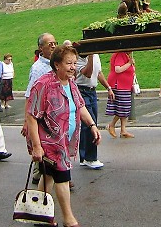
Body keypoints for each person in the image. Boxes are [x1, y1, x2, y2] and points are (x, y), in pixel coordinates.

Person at [26, 44, 101, 227]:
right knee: (62, 177)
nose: (73, 67)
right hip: (50, 143)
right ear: (57, 64)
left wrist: (92, 125)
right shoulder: (44, 84)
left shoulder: (71, 83)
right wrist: (37, 146)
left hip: (65, 141)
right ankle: (68, 219)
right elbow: (31, 115)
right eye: (69, 63)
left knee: (48, 176)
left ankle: (40, 214)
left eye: (75, 63)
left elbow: (80, 105)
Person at [22, 33, 57, 184]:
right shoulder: (37, 69)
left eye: (55, 43)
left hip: (55, 115)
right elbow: (30, 96)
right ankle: (44, 173)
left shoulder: (56, 65)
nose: (54, 46)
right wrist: (26, 122)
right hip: (42, 116)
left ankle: (48, 172)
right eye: (50, 44)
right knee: (44, 148)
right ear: (41, 48)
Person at [76, 53, 112, 169]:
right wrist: (90, 57)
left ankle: (84, 156)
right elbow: (88, 73)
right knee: (90, 124)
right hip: (82, 90)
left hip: (92, 91)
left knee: (89, 123)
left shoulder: (96, 55)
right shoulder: (78, 58)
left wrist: (108, 88)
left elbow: (98, 73)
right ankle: (90, 158)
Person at [105, 51, 135, 139]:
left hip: (125, 86)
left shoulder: (126, 55)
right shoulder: (120, 54)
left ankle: (123, 130)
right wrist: (129, 63)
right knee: (123, 107)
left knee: (124, 108)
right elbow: (118, 69)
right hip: (119, 85)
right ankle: (112, 125)